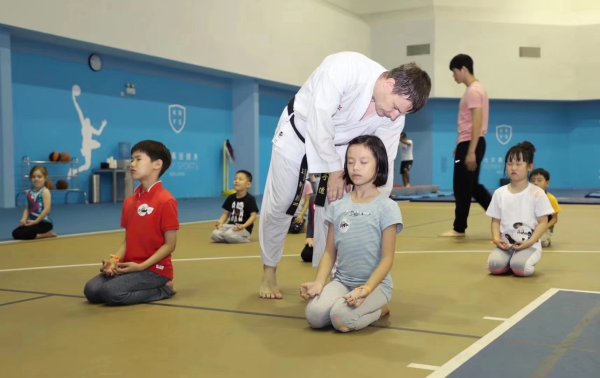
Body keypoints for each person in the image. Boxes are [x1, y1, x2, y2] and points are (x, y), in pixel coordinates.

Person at [259, 51, 431, 299]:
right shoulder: (345, 68)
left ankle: (322, 278)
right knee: (282, 203)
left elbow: (384, 162)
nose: (395, 116)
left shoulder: (394, 119)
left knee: (336, 207)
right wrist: (335, 170)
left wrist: (378, 204)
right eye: (395, 107)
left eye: (401, 113)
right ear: (389, 83)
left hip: (340, 149)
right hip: (299, 133)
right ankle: (269, 270)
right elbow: (320, 121)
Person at [300, 135, 403, 332]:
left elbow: (387, 259)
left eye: (363, 162)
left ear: (379, 166)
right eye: (350, 162)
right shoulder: (338, 205)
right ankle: (344, 304)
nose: (355, 167)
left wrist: (366, 289)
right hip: (342, 282)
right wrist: (319, 283)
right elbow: (330, 252)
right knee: (314, 315)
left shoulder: (387, 207)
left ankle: (379, 308)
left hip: (375, 285)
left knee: (341, 319)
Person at [83, 140, 178, 305]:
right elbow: (128, 240)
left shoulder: (166, 200)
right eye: (131, 159)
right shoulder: (130, 201)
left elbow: (170, 245)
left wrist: (141, 267)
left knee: (110, 292)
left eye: (138, 159)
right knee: (91, 291)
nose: (132, 164)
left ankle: (165, 288)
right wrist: (115, 261)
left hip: (155, 270)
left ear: (157, 164)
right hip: (129, 266)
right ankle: (131, 278)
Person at [440, 54, 492, 237]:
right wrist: (462, 145)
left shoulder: (473, 91)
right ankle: (503, 218)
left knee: (463, 187)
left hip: (471, 143)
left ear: (463, 69)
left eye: (454, 72)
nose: (453, 76)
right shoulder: (477, 89)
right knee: (471, 187)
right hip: (468, 143)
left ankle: (459, 228)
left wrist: (470, 151)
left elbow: (477, 121)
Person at [486, 142, 554, 277]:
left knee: (520, 268)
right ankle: (510, 260)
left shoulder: (537, 193)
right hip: (506, 246)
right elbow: (495, 220)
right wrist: (496, 238)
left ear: (529, 167)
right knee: (494, 266)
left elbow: (543, 222)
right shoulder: (499, 193)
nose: (513, 168)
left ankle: (517, 261)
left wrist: (530, 242)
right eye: (510, 163)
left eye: (518, 164)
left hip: (529, 245)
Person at [212, 170, 259, 243]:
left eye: (240, 179)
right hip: (230, 226)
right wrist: (220, 223)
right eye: (235, 179)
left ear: (248, 184)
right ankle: (229, 237)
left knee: (229, 235)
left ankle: (245, 238)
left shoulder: (250, 199)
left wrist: (243, 226)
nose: (236, 181)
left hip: (243, 229)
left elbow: (253, 216)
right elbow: (226, 214)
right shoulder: (231, 197)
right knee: (215, 234)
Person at [12, 166, 56, 240]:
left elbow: (47, 210)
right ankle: (37, 234)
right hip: (33, 222)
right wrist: (24, 219)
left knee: (28, 233)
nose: (36, 179)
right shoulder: (29, 192)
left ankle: (46, 234)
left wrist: (36, 221)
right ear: (30, 178)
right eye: (33, 177)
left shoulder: (45, 192)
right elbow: (28, 208)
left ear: (45, 178)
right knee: (15, 233)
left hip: (44, 223)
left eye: (39, 177)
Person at [530, 168, 561, 247]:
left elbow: (554, 219)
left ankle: (546, 238)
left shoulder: (551, 199)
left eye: (539, 180)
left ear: (547, 183)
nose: (535, 183)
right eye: (533, 180)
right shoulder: (525, 198)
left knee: (542, 244)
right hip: (529, 227)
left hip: (545, 228)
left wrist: (543, 228)